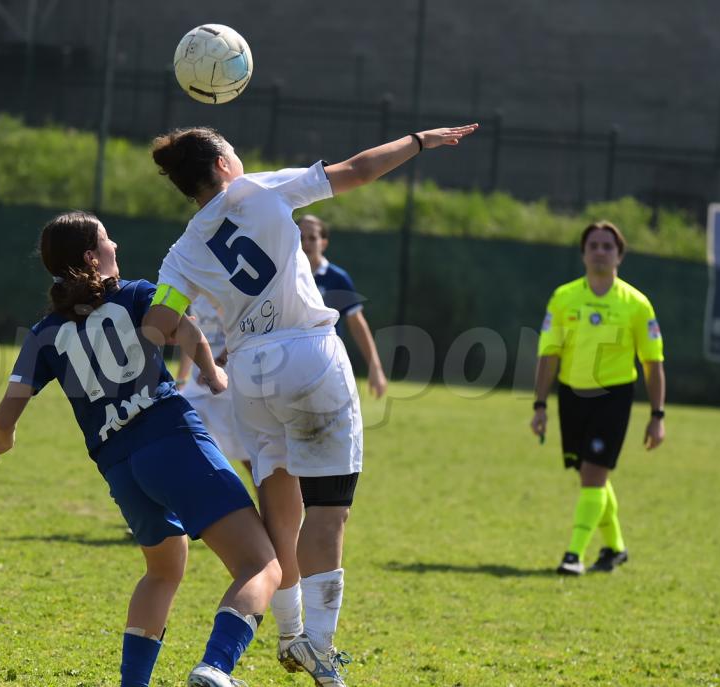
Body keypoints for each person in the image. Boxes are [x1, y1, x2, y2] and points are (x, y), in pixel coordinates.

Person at [146, 123, 478, 685]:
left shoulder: (182, 250)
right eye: (234, 151)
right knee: (328, 513)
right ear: (223, 165)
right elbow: (359, 171)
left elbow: (158, 326)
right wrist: (419, 141)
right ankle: (318, 649)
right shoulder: (258, 188)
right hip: (308, 357)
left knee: (282, 511)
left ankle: (291, 633)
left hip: (249, 373)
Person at [0, 211, 281, 687]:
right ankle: (217, 667)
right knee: (261, 564)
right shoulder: (137, 293)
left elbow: (3, 419)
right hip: (171, 439)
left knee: (163, 570)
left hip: (120, 466)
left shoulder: (43, 334)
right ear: (90, 256)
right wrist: (213, 373)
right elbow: (186, 329)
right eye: (106, 239)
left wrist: (1, 440)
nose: (115, 245)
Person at [530, 221, 667, 576]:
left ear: (620, 255)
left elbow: (652, 362)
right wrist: (540, 406)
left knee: (593, 473)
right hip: (572, 395)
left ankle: (573, 555)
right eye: (593, 245)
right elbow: (549, 354)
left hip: (613, 397)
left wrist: (657, 416)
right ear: (583, 254)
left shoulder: (637, 304)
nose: (600, 252)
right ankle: (615, 548)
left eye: (608, 246)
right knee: (591, 474)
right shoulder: (563, 298)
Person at [298, 214, 388, 398]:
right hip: (289, 365)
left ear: (323, 243)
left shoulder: (337, 278)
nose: (306, 243)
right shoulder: (284, 275)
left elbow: (356, 323)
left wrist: (375, 367)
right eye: (300, 237)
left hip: (326, 365)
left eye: (312, 238)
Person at [173, 294, 254, 491]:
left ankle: (273, 507)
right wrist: (181, 379)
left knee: (250, 460)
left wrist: (216, 365)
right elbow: (190, 338)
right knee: (179, 433)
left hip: (229, 387)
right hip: (197, 387)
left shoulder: (227, 289)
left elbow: (242, 330)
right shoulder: (194, 292)